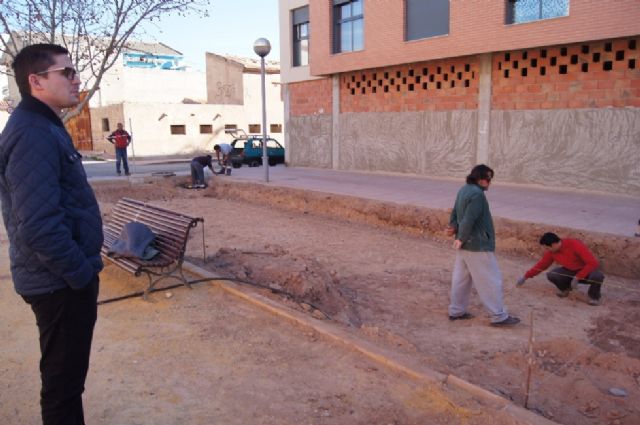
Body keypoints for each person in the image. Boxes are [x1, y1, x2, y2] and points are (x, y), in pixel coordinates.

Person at [0, 43, 103, 425]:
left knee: (65, 379)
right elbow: (40, 225)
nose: (78, 80)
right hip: (58, 282)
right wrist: (80, 275)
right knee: (62, 386)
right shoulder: (33, 133)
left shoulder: (41, 125)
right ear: (36, 81)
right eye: (68, 73)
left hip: (56, 278)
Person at [447, 164, 520, 326]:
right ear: (480, 179)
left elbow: (455, 212)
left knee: (461, 280)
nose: (489, 182)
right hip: (477, 244)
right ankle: (498, 316)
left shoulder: (464, 189)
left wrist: (453, 228)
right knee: (491, 280)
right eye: (487, 178)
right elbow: (468, 219)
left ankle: (456, 311)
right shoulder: (477, 195)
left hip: (465, 243)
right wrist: (461, 237)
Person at [516, 232, 604, 306]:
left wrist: (578, 277)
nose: (547, 250)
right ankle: (565, 289)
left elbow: (593, 263)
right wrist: (525, 276)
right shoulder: (551, 252)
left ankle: (594, 296)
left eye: (547, 248)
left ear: (553, 244)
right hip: (569, 271)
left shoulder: (574, 244)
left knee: (598, 276)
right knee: (552, 275)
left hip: (585, 271)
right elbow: (541, 265)